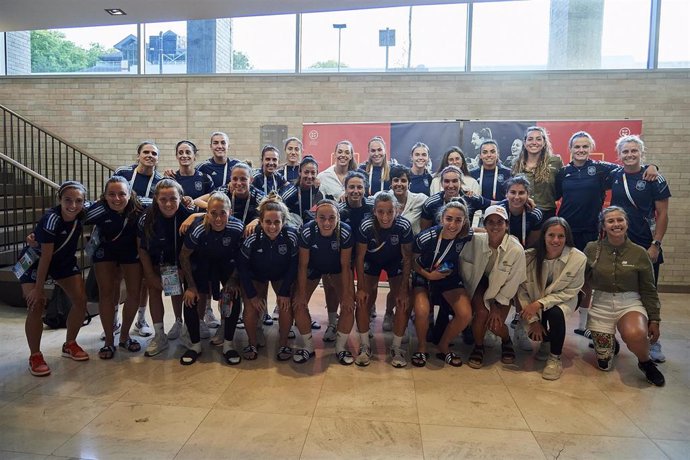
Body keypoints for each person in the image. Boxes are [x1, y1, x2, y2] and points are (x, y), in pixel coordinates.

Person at [583, 206, 665, 386]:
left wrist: (654, 319)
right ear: (603, 226)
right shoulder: (591, 249)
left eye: (620, 220)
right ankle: (611, 344)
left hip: (629, 302)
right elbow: (582, 280)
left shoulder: (639, 253)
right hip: (601, 303)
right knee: (604, 364)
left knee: (635, 334)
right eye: (610, 221)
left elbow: (649, 289)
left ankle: (646, 362)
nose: (616, 224)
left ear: (627, 223)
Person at [607, 135, 670, 364]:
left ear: (641, 152)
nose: (630, 155)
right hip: (619, 244)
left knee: (648, 292)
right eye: (625, 151)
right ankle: (609, 336)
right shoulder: (615, 175)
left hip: (646, 245)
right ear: (619, 154)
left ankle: (653, 341)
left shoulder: (654, 178)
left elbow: (662, 213)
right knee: (616, 290)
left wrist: (656, 244)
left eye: (634, 151)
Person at [20, 181, 90, 376]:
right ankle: (35, 355)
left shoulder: (83, 212)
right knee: (36, 303)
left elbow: (107, 202)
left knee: (80, 300)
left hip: (63, 262)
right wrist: (38, 288)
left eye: (78, 201)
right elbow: (46, 256)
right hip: (36, 261)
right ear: (59, 199)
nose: (73, 205)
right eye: (68, 200)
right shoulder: (51, 219)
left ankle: (70, 344)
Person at [178, 192, 243, 365]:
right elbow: (184, 256)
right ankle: (195, 345)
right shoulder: (199, 228)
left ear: (230, 212)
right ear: (207, 213)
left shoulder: (237, 228)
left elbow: (242, 256)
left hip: (226, 263)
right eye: (213, 213)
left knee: (233, 295)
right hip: (201, 262)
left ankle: (228, 344)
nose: (218, 218)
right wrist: (191, 287)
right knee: (190, 299)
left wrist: (233, 280)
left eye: (223, 213)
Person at [518, 217, 586, 380]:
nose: (556, 240)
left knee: (555, 313)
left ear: (567, 237)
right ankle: (546, 342)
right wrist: (533, 321)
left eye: (561, 236)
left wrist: (540, 303)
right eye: (551, 235)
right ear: (543, 236)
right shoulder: (528, 257)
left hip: (566, 298)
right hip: (534, 301)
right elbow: (522, 290)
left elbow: (571, 290)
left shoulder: (578, 258)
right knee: (536, 328)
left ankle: (555, 358)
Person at [460, 205, 526, 370]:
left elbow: (513, 282)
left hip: (503, 289)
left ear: (507, 225)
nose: (495, 226)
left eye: (500, 222)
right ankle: (479, 346)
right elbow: (461, 234)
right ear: (485, 224)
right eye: (490, 222)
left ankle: (506, 340)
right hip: (480, 284)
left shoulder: (516, 250)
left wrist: (496, 306)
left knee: (494, 324)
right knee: (482, 313)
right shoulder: (475, 240)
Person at [86, 176, 144, 359]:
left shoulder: (140, 206)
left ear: (129, 194)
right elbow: (72, 214)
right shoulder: (97, 210)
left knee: (134, 293)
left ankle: (125, 336)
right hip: (105, 252)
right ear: (104, 195)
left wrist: (186, 201)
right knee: (107, 293)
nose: (117, 199)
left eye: (121, 194)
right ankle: (109, 341)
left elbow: (163, 199)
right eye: (112, 194)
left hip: (130, 252)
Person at [410, 200, 473, 368]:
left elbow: (482, 231)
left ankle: (443, 346)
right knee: (422, 311)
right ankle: (422, 347)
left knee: (465, 314)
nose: (453, 224)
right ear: (441, 219)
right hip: (424, 275)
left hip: (448, 277)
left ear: (464, 221)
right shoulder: (426, 237)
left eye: (458, 220)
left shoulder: (465, 234)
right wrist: (428, 275)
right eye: (449, 219)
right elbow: (412, 260)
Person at [137, 179, 196, 357]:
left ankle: (181, 325)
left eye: (173, 198)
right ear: (155, 199)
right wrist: (149, 274)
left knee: (178, 290)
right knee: (154, 289)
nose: (169, 203)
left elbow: (208, 214)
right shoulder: (147, 218)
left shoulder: (187, 213)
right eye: (163, 199)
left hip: (180, 262)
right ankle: (159, 334)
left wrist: (195, 215)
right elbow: (142, 249)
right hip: (157, 261)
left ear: (181, 198)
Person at [354, 191, 413, 367]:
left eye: (389, 212)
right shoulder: (366, 226)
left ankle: (396, 347)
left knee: (402, 299)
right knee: (364, 299)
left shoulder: (404, 226)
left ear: (397, 210)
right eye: (380, 212)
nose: (385, 217)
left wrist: (403, 290)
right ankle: (364, 345)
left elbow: (408, 258)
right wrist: (361, 288)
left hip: (395, 261)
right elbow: (359, 257)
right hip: (371, 261)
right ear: (374, 211)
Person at [238, 194, 299, 362]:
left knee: (285, 305)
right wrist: (251, 295)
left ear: (284, 221)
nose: (272, 226)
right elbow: (242, 267)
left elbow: (294, 265)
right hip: (256, 275)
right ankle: (252, 342)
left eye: (277, 222)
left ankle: (284, 343)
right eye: (268, 222)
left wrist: (285, 292)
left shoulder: (291, 236)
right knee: (251, 307)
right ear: (260, 221)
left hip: (281, 275)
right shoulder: (252, 237)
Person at [295, 199, 355, 364]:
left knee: (349, 307)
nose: (327, 223)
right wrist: (300, 295)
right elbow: (302, 265)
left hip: (336, 268)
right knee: (298, 304)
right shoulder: (307, 231)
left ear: (338, 218)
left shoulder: (345, 232)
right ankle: (308, 347)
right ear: (315, 218)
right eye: (322, 218)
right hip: (313, 268)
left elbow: (345, 266)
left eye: (332, 218)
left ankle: (341, 347)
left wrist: (348, 295)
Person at [114, 141, 164, 338]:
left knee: (144, 280)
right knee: (117, 279)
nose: (149, 155)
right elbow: (112, 196)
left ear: (158, 159)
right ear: (138, 155)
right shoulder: (124, 173)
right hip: (120, 234)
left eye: (154, 153)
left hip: (145, 234)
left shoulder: (160, 180)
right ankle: (114, 321)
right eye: (146, 152)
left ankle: (141, 320)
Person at [511, 126, 563, 220]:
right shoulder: (515, 163)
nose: (534, 142)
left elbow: (559, 189)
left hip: (547, 214)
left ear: (544, 143)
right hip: (521, 212)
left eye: (538, 139)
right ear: (525, 142)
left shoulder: (555, 161)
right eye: (530, 139)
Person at [421, 165, 490, 231]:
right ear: (441, 183)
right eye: (447, 181)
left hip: (464, 240)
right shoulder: (431, 203)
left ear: (461, 183)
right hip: (438, 241)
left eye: (455, 181)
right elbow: (424, 230)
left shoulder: (470, 198)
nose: (451, 185)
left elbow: (495, 204)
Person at [281, 156, 324, 226]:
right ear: (300, 172)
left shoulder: (318, 193)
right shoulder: (289, 192)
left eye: (313, 173)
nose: (309, 176)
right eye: (306, 172)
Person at [390, 164, 427, 236]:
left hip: (413, 244)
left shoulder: (420, 199)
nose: (399, 184)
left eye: (403, 181)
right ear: (391, 183)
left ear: (409, 184)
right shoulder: (384, 198)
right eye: (396, 180)